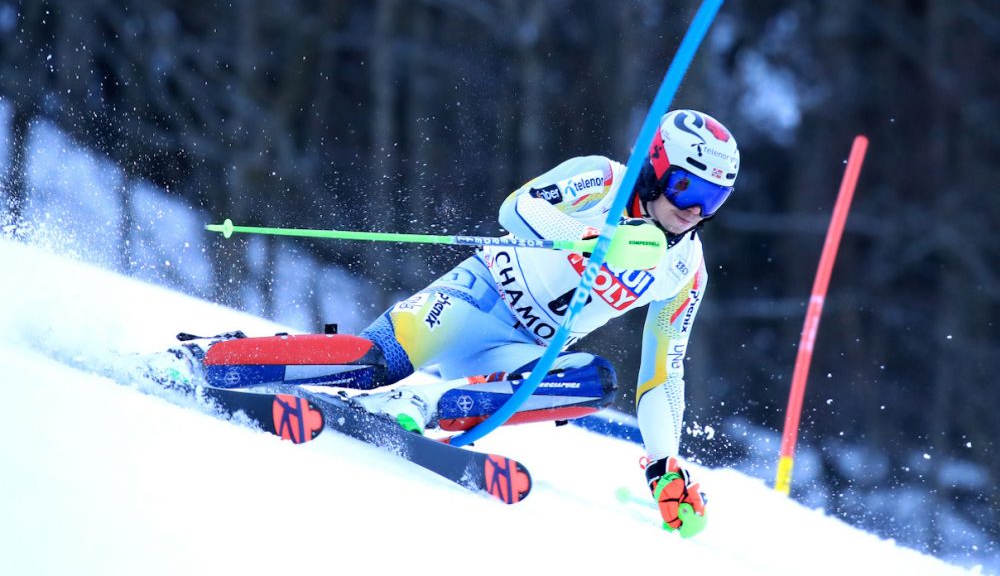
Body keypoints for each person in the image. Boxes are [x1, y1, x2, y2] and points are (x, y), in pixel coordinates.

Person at [159, 108, 739, 535]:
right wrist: (590, 240)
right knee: (371, 362)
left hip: (517, 355)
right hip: (476, 301)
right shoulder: (604, 181)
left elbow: (665, 372)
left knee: (593, 383)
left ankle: (424, 405)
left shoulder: (685, 269)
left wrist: (665, 466)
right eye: (687, 186)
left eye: (712, 200)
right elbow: (519, 208)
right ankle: (219, 355)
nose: (692, 209)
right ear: (657, 168)